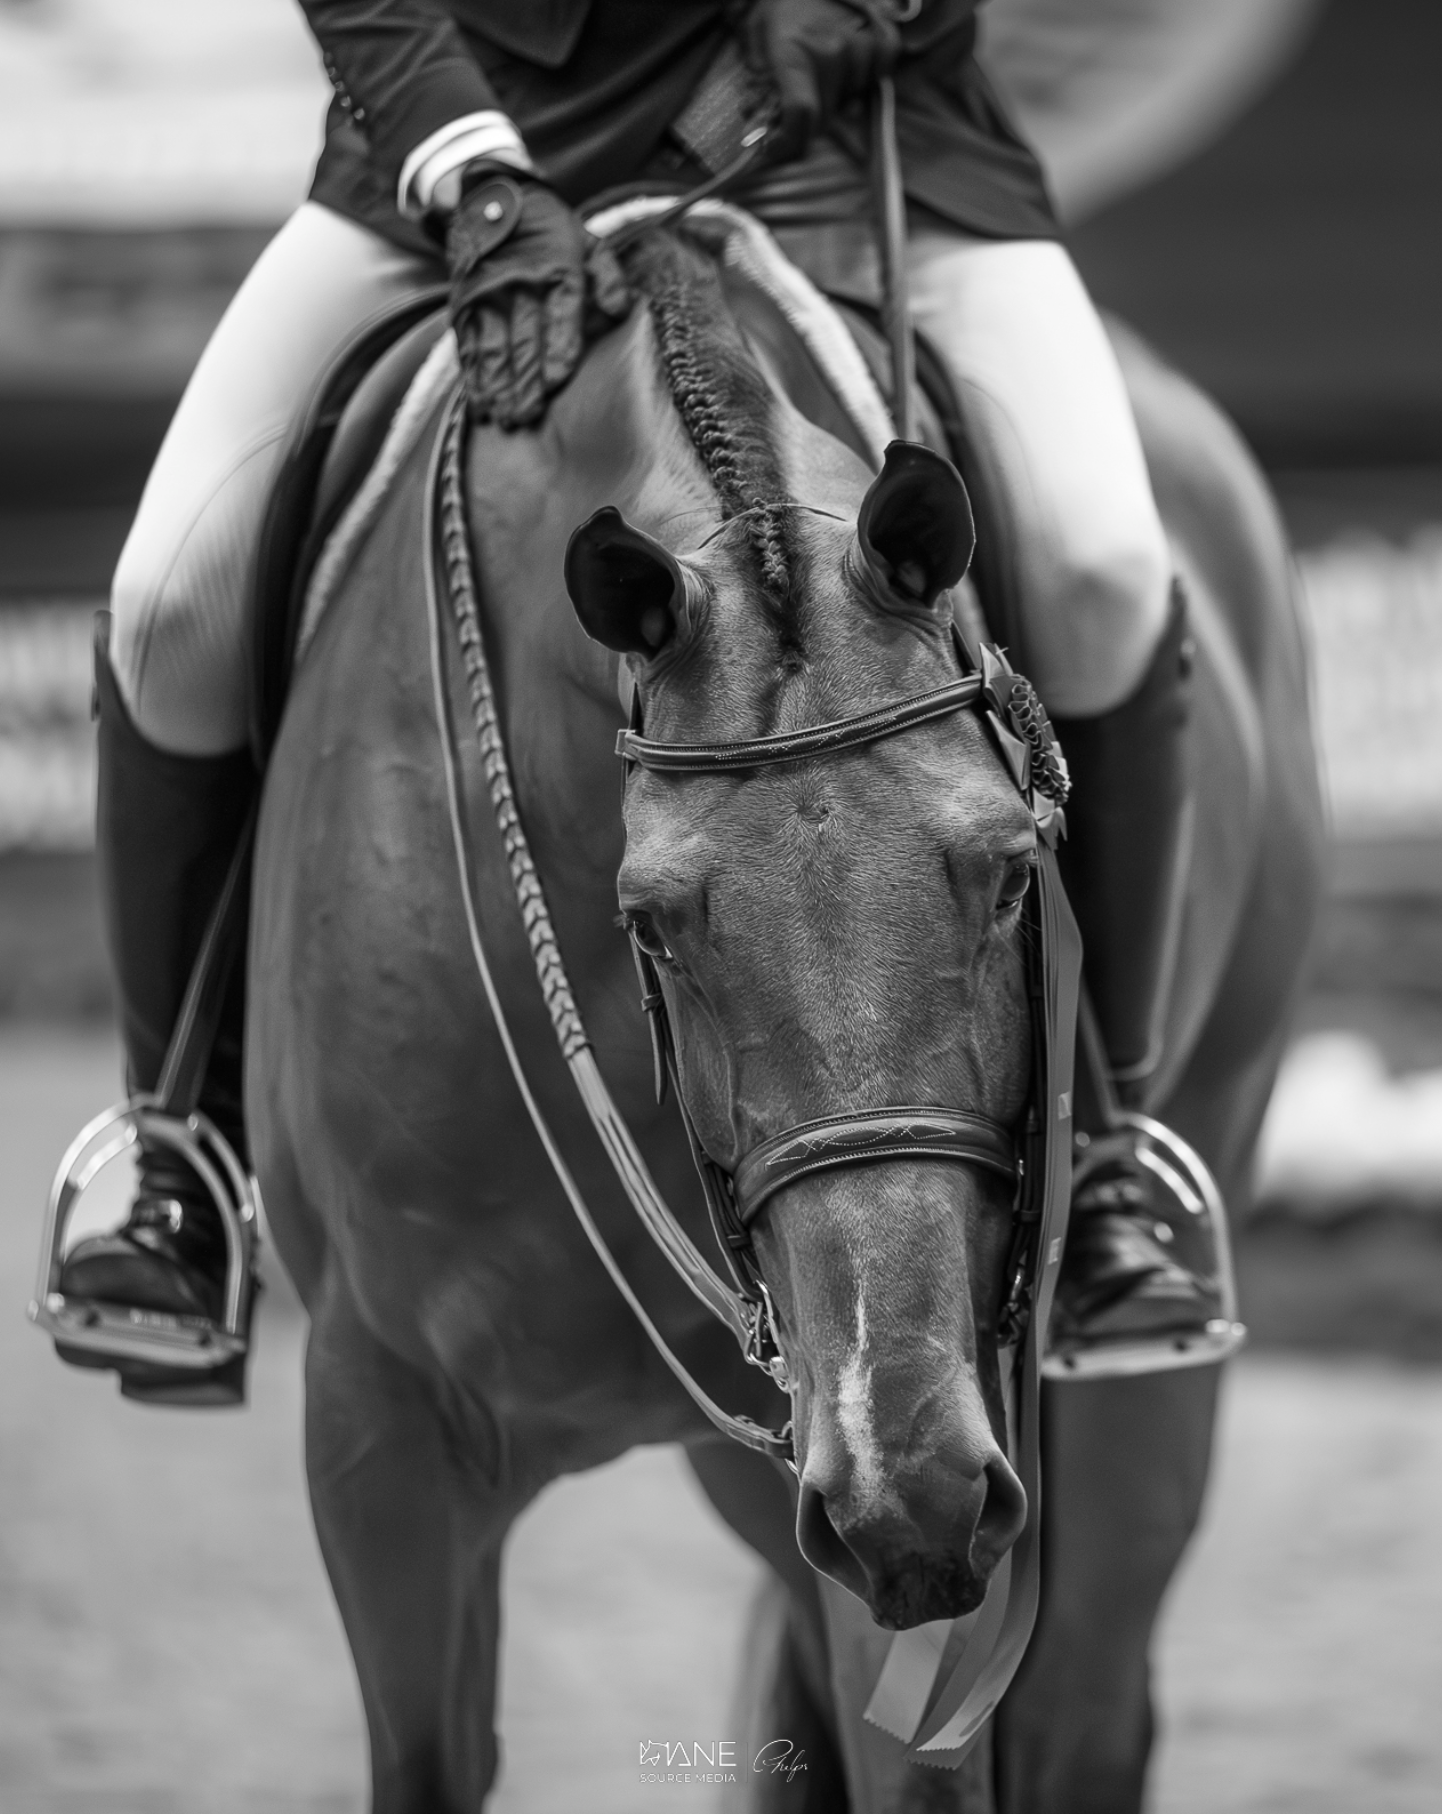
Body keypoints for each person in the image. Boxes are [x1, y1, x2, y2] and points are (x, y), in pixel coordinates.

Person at [58, 0, 1218, 1383]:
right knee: (171, 600)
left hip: (829, 137)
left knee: (1097, 561)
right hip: (476, 144)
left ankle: (1108, 1155)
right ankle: (183, 1152)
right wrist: (472, 173)